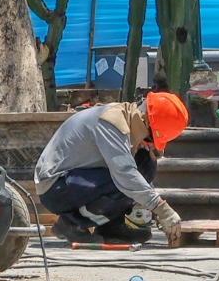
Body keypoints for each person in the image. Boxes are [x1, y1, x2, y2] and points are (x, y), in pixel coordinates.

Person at [35, 91, 190, 245]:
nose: (150, 145)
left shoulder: (126, 118)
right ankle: (70, 225)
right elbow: (124, 173)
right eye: (151, 139)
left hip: (76, 180)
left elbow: (135, 177)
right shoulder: (111, 123)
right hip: (55, 187)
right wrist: (160, 208)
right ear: (145, 121)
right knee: (124, 178)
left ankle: (110, 228)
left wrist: (152, 204)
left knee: (145, 163)